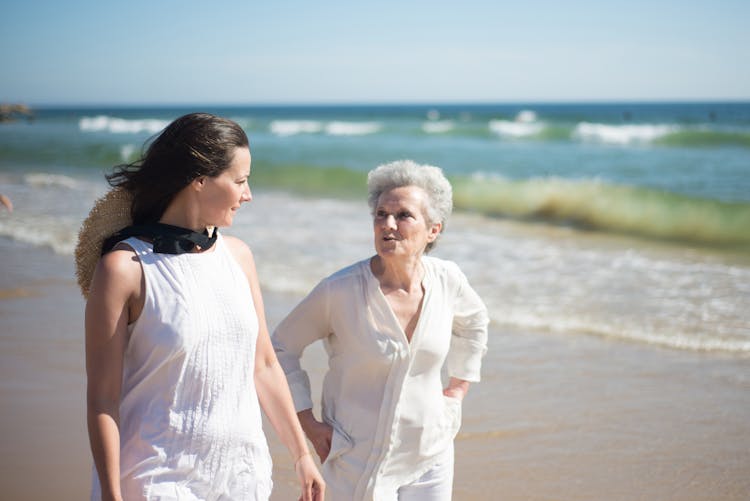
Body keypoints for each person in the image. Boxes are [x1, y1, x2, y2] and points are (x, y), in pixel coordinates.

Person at [79, 113, 325, 501]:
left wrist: (301, 455)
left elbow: (263, 364)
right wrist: (111, 494)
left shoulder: (239, 257)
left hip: (241, 477)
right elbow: (102, 400)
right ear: (199, 180)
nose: (249, 195)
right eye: (241, 181)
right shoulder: (124, 269)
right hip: (158, 479)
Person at [272, 160, 489, 500]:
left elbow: (475, 321)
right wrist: (309, 425)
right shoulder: (340, 290)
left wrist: (458, 388)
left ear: (433, 229)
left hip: (430, 455)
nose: (388, 224)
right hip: (356, 462)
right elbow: (281, 347)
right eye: (380, 214)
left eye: (403, 215)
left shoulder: (448, 280)